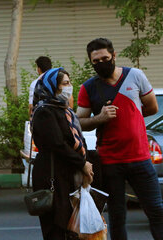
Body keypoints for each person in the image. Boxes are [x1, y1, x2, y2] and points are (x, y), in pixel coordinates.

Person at [77, 38, 163, 240]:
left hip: (140, 157)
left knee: (156, 210)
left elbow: (152, 107)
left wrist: (131, 117)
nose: (101, 63)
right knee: (117, 215)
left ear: (114, 56)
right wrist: (100, 118)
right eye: (95, 61)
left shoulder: (135, 76)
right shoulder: (89, 87)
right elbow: (79, 122)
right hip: (110, 161)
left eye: (105, 58)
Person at [31, 67, 94, 239]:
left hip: (65, 173)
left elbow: (76, 140)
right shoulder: (44, 111)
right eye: (65, 83)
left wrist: (84, 163)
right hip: (52, 175)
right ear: (53, 86)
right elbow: (57, 144)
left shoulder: (63, 110)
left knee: (70, 227)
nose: (69, 87)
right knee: (56, 227)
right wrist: (82, 164)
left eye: (69, 82)